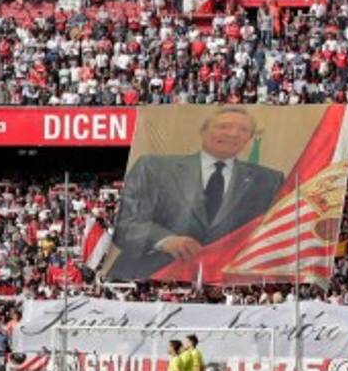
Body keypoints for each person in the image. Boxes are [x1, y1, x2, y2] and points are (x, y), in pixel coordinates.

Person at [110, 107, 285, 280]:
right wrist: (165, 241)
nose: (233, 134)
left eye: (243, 130)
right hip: (149, 276)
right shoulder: (153, 168)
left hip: (225, 283)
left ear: (249, 139)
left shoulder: (269, 180)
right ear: (203, 131)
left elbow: (276, 234)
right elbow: (126, 224)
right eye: (224, 126)